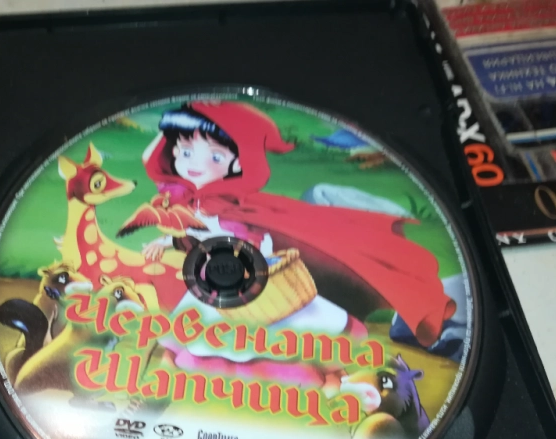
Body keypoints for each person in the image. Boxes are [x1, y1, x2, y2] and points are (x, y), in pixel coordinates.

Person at [124, 101, 456, 393]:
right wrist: (166, 239)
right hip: (216, 289)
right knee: (193, 334)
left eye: (215, 156)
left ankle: (326, 377)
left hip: (262, 288)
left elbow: (244, 239)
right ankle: (173, 371)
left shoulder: (232, 206)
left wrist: (224, 244)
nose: (194, 164)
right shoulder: (186, 198)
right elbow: (160, 177)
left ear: (238, 163)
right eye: (184, 152)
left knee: (294, 333)